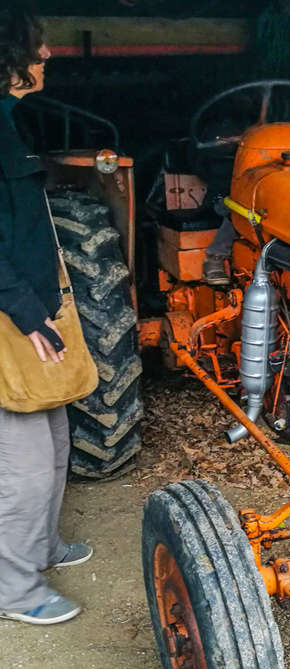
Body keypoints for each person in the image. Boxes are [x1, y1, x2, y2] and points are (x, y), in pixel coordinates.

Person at [0, 4, 92, 625]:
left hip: (32, 296)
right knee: (26, 462)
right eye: (38, 45)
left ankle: (43, 546)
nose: (47, 55)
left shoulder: (7, 122)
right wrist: (28, 312)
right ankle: (15, 588)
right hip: (11, 308)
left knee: (57, 433)